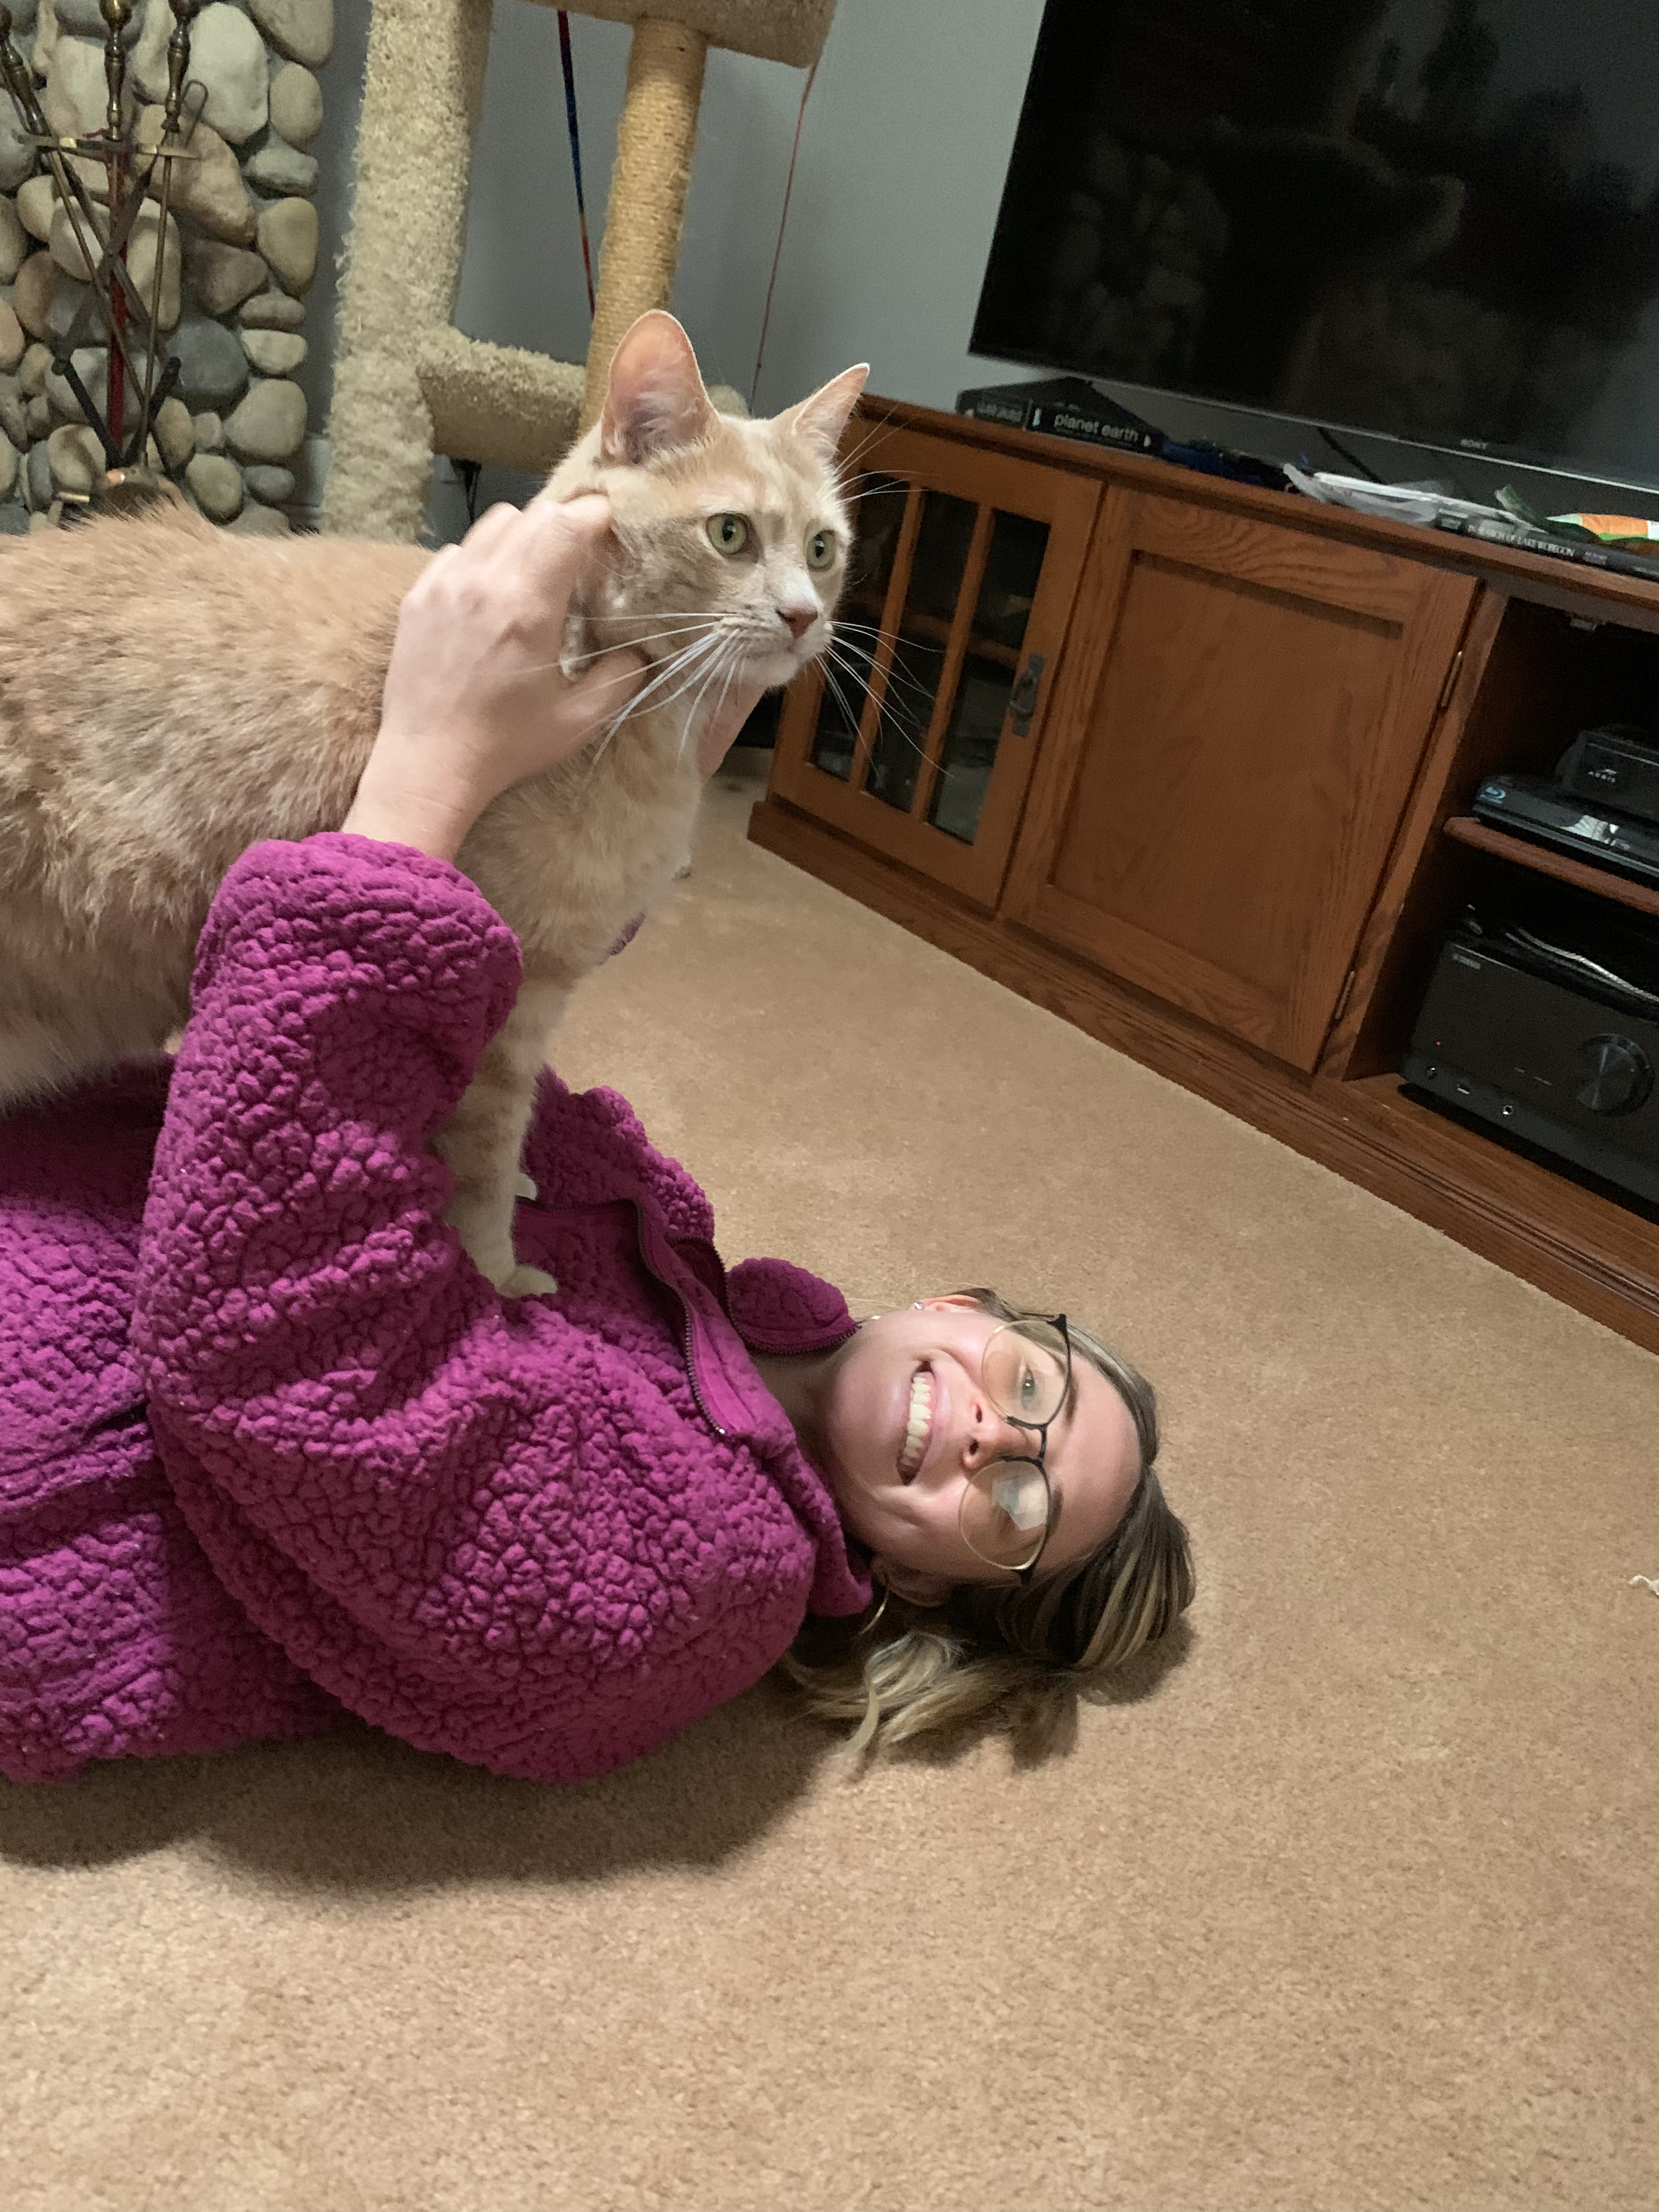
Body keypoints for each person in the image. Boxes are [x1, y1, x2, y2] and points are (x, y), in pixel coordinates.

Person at [0, 492, 1192, 1787]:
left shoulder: (696, 1592)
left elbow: (279, 1341)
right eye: (1027, 1386)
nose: (985, 1432)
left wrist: (428, 774)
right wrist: (634, 803)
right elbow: (448, 1041)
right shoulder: (669, 1240)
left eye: (1016, 1502)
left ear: (914, 1575)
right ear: (959, 1306)